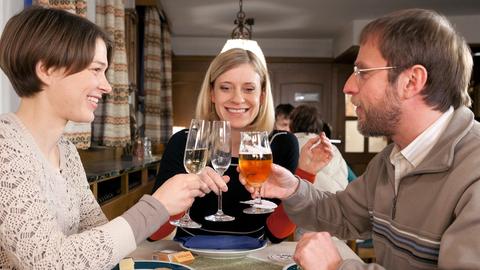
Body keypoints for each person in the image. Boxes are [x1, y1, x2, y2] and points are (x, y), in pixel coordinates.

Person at [240, 8, 480, 270]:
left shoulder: (473, 173)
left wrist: (336, 268)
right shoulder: (390, 160)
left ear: (412, 81)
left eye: (363, 71)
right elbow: (340, 213)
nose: (348, 86)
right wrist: (293, 189)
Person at [0, 7, 225, 269]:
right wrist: (157, 205)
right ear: (47, 69)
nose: (107, 86)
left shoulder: (67, 152)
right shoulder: (5, 149)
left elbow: (96, 234)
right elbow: (50, 262)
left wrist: (167, 204)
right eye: (96, 70)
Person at [150, 48, 299, 243]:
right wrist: (188, 189)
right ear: (212, 94)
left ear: (262, 96)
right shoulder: (186, 142)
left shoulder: (281, 143)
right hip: (188, 256)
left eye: (249, 88)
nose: (237, 99)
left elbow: (277, 233)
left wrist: (306, 176)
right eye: (226, 87)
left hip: (254, 255)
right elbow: (153, 233)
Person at [289, 104, 348, 194]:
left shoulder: (289, 144)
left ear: (292, 124)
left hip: (300, 200)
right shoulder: (333, 148)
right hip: (335, 200)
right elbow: (343, 180)